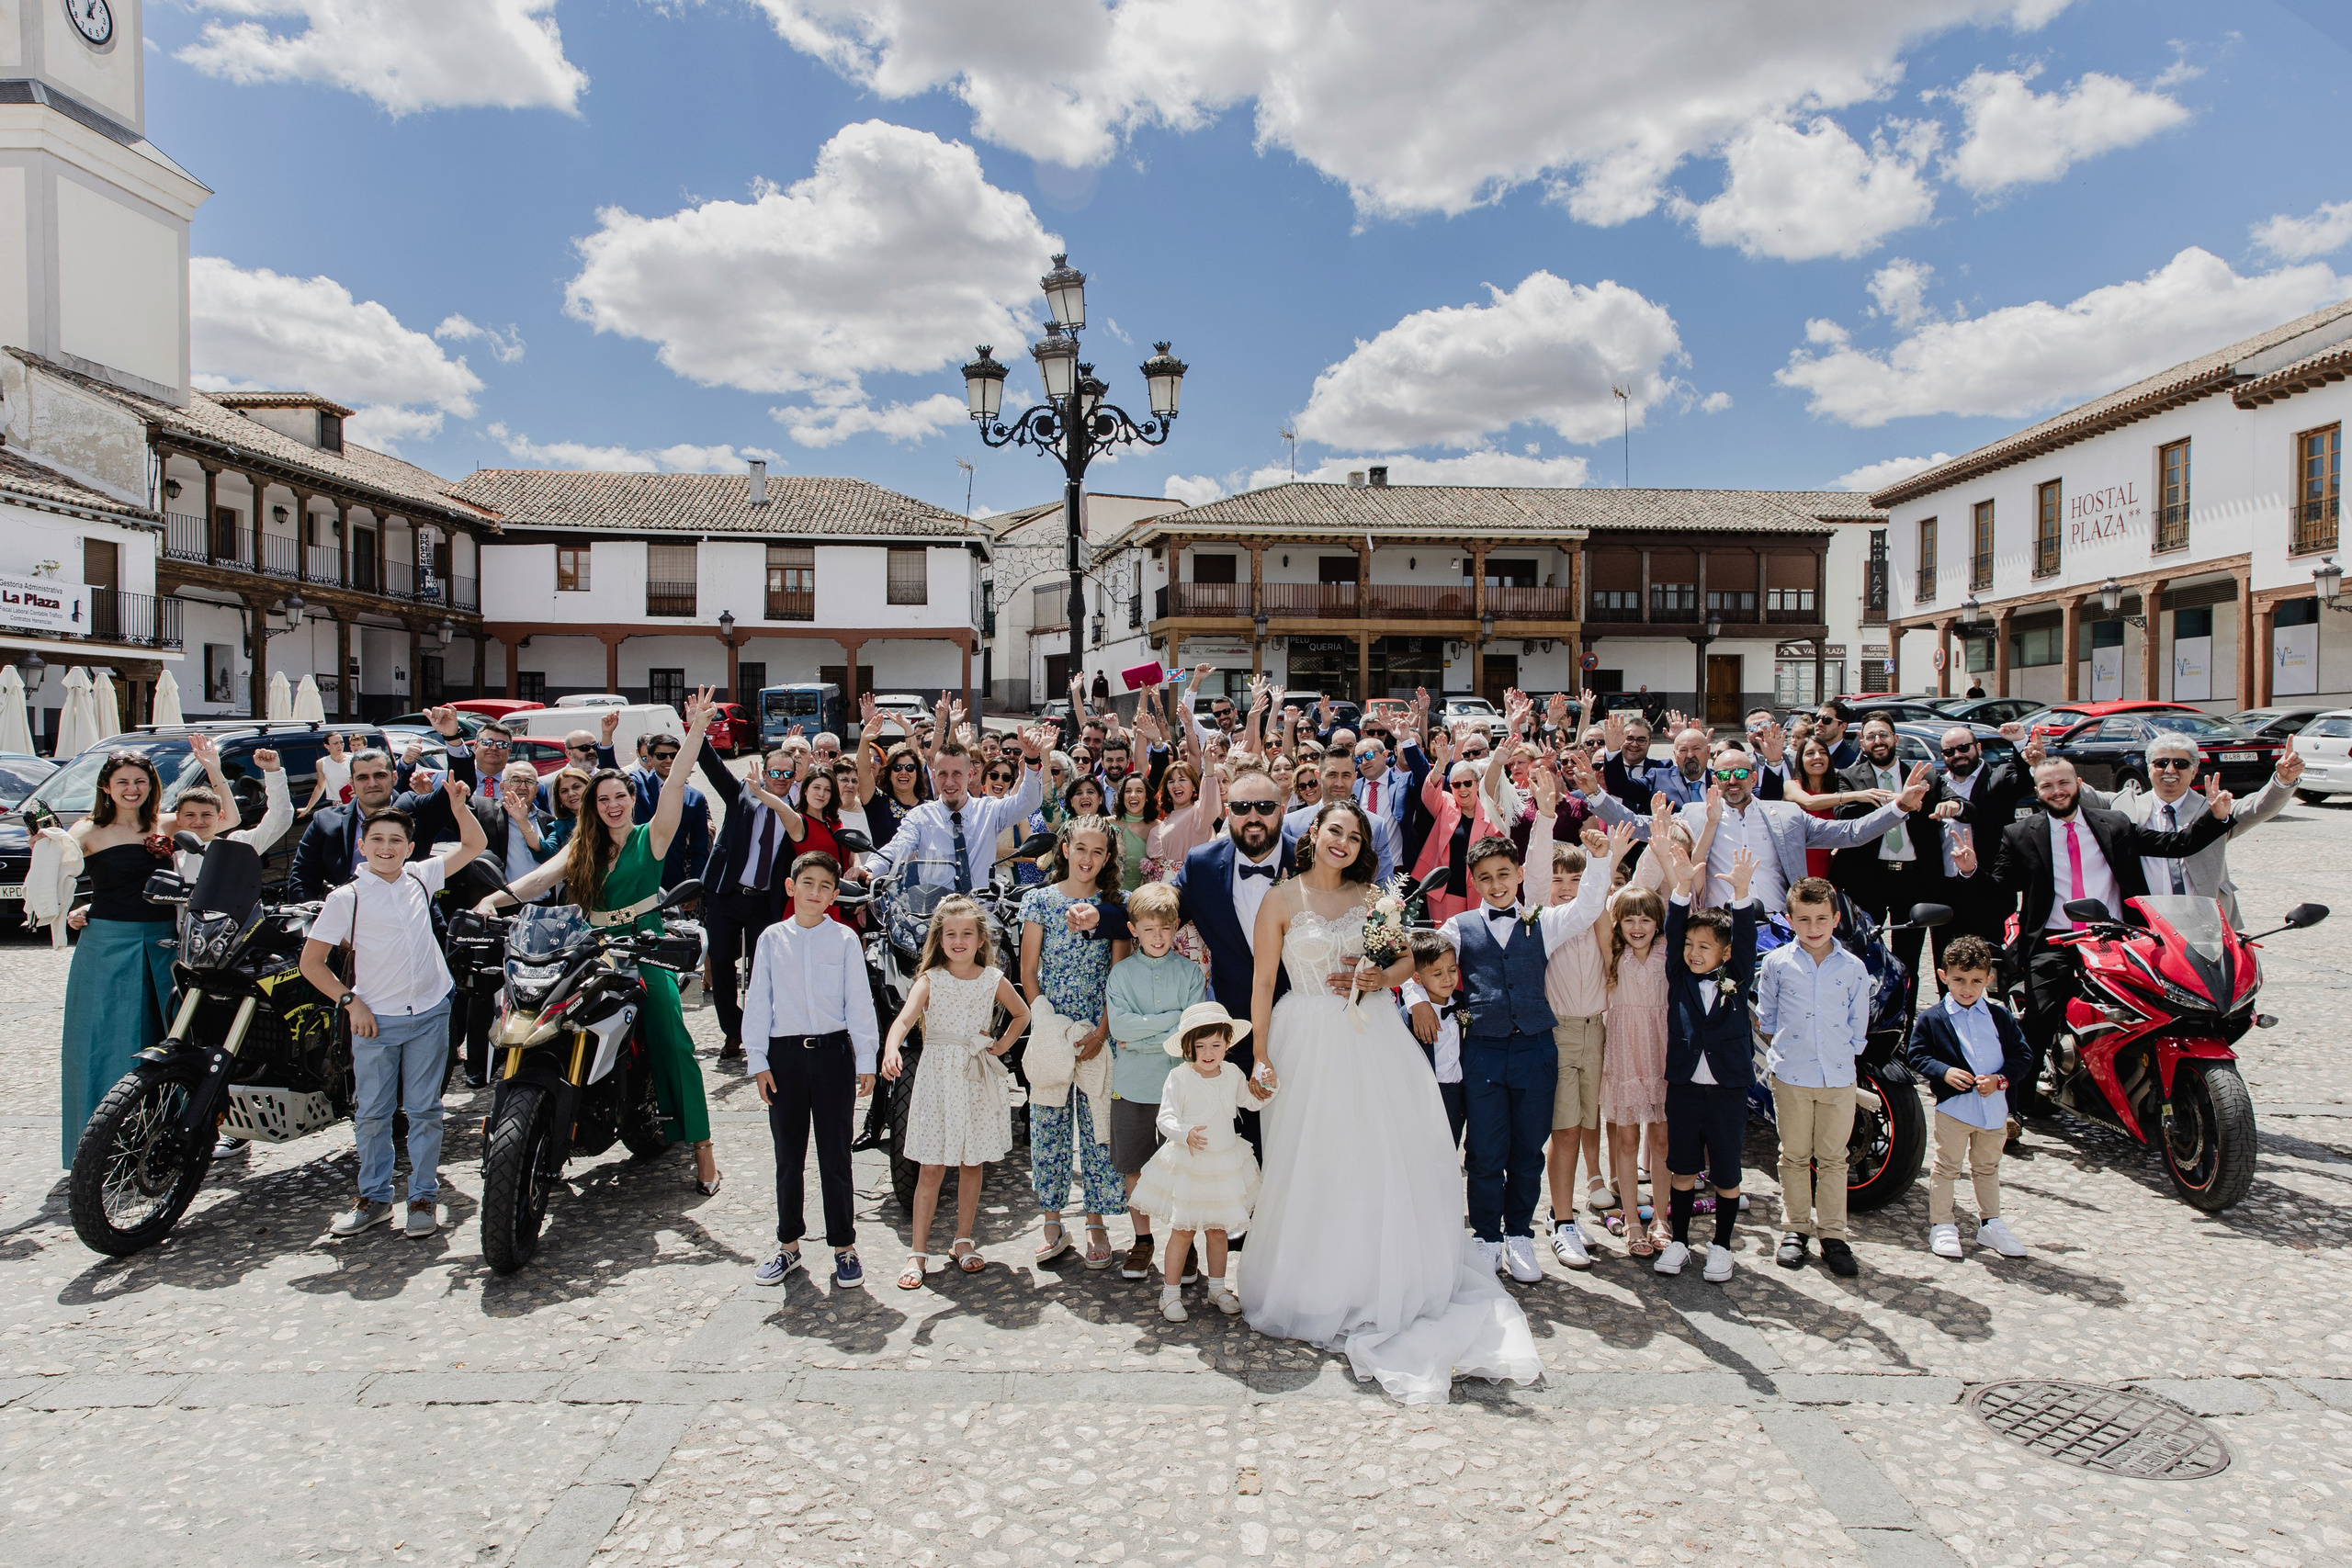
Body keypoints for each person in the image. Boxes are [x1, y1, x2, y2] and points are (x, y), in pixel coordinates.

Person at [1240, 796, 1545, 1405]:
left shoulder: (1369, 899)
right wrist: (1260, 1054)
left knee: (1372, 1157)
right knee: (1309, 1161)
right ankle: (1311, 1281)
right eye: (1334, 830)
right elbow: (1263, 981)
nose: (1342, 842)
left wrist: (1382, 976)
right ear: (1314, 834)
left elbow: (1408, 956)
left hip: (1370, 1035)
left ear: (1361, 845)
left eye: (1353, 836)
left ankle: (1372, 1277)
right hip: (1303, 1039)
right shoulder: (1280, 898)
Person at [480, 690, 726, 1191]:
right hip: (588, 944)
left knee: (671, 1035)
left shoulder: (650, 838)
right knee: (536, 1013)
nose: (613, 805)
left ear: (633, 801)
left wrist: (696, 729)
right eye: (604, 799)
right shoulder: (582, 846)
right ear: (593, 805)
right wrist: (492, 903)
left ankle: (702, 1148)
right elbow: (538, 881)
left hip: (644, 945)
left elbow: (676, 781)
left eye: (620, 797)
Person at [1439, 772, 1626, 1280]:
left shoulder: (1541, 921)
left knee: (1527, 1149)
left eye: (1504, 875)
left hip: (1537, 1051)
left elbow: (1589, 907)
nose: (1497, 886)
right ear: (1474, 883)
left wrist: (1602, 859)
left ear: (1518, 875)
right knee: (1484, 1149)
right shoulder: (1459, 927)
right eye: (1486, 879)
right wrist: (1414, 996)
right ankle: (1485, 1235)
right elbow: (1425, 965)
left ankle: (1520, 1234)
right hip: (1482, 1051)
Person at [1985, 757, 2234, 1125]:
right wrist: (1970, 869)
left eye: (2063, 783)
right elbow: (1998, 887)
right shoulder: (2020, 834)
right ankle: (2013, 1111)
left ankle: (2149, 1083)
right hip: (2056, 941)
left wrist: (2215, 817)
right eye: (2048, 786)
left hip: (2117, 937)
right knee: (2038, 1020)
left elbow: (2177, 844)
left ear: (2078, 782)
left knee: (2160, 1003)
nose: (2057, 791)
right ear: (2037, 793)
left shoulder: (2114, 824)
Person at [301, 777, 487, 1238]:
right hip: (375, 1021)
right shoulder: (346, 898)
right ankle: (375, 1197)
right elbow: (311, 963)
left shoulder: (422, 876)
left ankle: (423, 1197)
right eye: (377, 840)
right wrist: (350, 1003)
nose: (387, 848)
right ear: (363, 847)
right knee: (373, 1113)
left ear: (409, 847)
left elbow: (474, 843)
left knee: (425, 1111)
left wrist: (459, 805)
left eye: (396, 841)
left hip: (429, 1011)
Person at [741, 850, 883, 1290]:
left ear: (834, 894)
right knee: (789, 1156)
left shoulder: (843, 941)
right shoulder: (770, 939)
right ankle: (788, 1246)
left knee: (836, 1155)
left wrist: (866, 1061)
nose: (816, 893)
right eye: (808, 884)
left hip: (832, 1055)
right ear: (791, 887)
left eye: (826, 886)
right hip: (784, 1058)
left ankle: (844, 1247)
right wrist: (758, 1060)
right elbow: (758, 1000)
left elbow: (859, 1003)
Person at [57, 749, 203, 1166]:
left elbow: (225, 820)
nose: (131, 789)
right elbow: (55, 871)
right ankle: (97, 1149)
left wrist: (212, 768)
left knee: (167, 1039)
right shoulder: (86, 830)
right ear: (106, 787)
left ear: (152, 786)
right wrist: (76, 906)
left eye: (140, 781)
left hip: (161, 943)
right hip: (105, 944)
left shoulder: (169, 822)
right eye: (122, 782)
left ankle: (166, 1141)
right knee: (102, 1041)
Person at [1579, 746, 1926, 918]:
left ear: (1755, 778)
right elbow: (1641, 826)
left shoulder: (1789, 815)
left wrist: (1899, 807)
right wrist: (1595, 793)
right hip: (1717, 924)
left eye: (1741, 775)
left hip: (1778, 924)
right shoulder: (1697, 814)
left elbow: (1849, 833)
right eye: (1725, 775)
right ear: (1715, 780)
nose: (1733, 782)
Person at [881, 893, 1029, 1287]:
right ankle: (917, 1251)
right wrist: (892, 1047)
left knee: (971, 1162)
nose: (959, 940)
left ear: (981, 939)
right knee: (930, 1167)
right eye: (951, 934)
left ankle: (963, 1240)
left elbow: (1022, 1013)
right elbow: (905, 1019)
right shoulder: (931, 980)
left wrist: (999, 1045)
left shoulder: (992, 979)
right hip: (937, 1078)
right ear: (940, 939)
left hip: (974, 1077)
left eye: (967, 933)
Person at [1019, 814, 1133, 1269]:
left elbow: (1119, 973)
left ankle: (1095, 1221)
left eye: (1098, 852)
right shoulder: (1040, 901)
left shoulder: (1116, 905)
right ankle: (1052, 1221)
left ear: (1107, 858)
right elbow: (1029, 970)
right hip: (1051, 1029)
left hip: (1097, 1031)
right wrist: (1045, 1024)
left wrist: (1102, 1031)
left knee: (1098, 1128)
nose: (1088, 859)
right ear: (1065, 848)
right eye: (1081, 848)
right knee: (1048, 1123)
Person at [1170, 766, 1300, 1167]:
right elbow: (1160, 910)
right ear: (1227, 811)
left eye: (1264, 806)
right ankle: (1246, 1226)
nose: (1253, 816)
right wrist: (1097, 914)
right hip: (1239, 1027)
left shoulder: (1312, 858)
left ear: (1281, 810)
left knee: (1302, 1131)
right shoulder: (1203, 863)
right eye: (1242, 807)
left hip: (1306, 1022)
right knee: (1245, 1140)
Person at [1653, 840, 1760, 1283]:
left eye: (1705, 947)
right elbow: (1676, 930)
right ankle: (1679, 1240)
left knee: (1726, 1172)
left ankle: (1721, 1246)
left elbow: (1747, 938)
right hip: (1684, 1089)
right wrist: (1680, 889)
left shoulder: (1736, 976)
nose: (1695, 953)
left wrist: (1741, 895)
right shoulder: (1677, 976)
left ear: (1725, 955)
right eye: (1691, 945)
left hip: (1727, 1091)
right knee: (1681, 1168)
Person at [1756, 876, 1873, 1278]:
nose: (1813, 927)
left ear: (1836, 919)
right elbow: (1767, 1016)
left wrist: (1846, 1053)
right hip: (1792, 1073)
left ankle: (1833, 1235)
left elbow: (1860, 1020)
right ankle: (1795, 1229)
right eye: (1804, 919)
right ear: (1790, 920)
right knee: (1793, 1154)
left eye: (1822, 918)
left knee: (1834, 1157)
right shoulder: (1777, 964)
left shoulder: (1854, 968)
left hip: (1838, 1075)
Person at [1131, 1001, 1278, 1322]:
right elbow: (1165, 1117)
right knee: (1183, 1231)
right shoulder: (1180, 1077)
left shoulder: (1233, 1074)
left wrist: (1267, 1089)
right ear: (1188, 1048)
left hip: (1224, 1164)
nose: (1209, 1053)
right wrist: (1184, 1133)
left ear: (1228, 1043)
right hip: (1191, 1164)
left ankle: (1217, 1287)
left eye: (1216, 1045)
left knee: (1217, 1230)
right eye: (1200, 1046)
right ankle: (1169, 1294)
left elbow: (1249, 1101)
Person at [2072, 731, 2302, 926]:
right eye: (2161, 763)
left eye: (2180, 764)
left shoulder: (2213, 809)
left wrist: (2282, 781)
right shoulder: (2124, 805)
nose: (2170, 770)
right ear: (2149, 768)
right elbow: (2076, 794)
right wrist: (2041, 764)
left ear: (2193, 771)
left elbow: (2258, 807)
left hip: (2204, 920)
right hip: (2144, 921)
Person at [1105, 880, 1208, 1282]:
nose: (1158, 936)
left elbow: (1192, 1029)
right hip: (1134, 1085)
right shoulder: (1121, 975)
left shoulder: (1189, 973)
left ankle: (1185, 1244)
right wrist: (1169, 1027)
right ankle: (1142, 1239)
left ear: (1176, 927)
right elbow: (1119, 1028)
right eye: (1148, 929)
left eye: (1165, 928)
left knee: (1183, 1167)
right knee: (1136, 1168)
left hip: (1179, 1087)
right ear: (1133, 930)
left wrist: (1142, 1037)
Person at [1905, 935, 2032, 1259]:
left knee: (1988, 1167)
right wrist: (1945, 1072)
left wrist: (2001, 1079)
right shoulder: (1933, 1018)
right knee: (1947, 1166)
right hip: (1954, 1109)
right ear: (1942, 975)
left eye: (1976, 981)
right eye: (1959, 980)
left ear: (1988, 980)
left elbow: (2023, 1056)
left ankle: (1991, 1223)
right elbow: (1916, 1055)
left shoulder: (1999, 1016)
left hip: (1993, 1110)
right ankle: (1942, 1224)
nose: (1967, 988)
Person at [1832, 713, 1963, 1020]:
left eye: (1884, 735)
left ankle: (1903, 1028)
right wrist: (1897, 802)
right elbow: (1844, 817)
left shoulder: (1925, 776)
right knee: (1863, 957)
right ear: (1862, 743)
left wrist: (1953, 806)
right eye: (1872, 736)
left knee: (1908, 963)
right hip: (1869, 879)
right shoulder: (1850, 778)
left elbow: (1958, 802)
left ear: (1896, 739)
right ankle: (1863, 1021)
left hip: (1913, 880)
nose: (1878, 741)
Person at [694, 742, 799, 1061]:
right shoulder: (742, 793)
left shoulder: (798, 807)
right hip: (727, 893)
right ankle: (732, 1031)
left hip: (765, 901)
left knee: (763, 970)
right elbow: (713, 768)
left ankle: (758, 1030)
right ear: (764, 773)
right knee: (722, 963)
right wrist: (698, 731)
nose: (781, 779)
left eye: (787, 773)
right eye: (775, 772)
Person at [1538, 838, 1609, 1269]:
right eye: (1557, 879)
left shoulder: (1600, 917)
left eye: (1575, 879)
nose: (1565, 887)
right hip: (1560, 1031)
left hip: (1596, 1030)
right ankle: (1562, 1219)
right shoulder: (1544, 922)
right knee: (1563, 1129)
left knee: (1586, 1123)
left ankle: (1565, 1211)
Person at [867, 728, 1050, 892]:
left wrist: (1032, 760)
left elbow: (1029, 801)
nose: (949, 782)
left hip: (980, 914)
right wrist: (871, 867)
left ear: (970, 775)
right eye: (943, 774)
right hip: (934, 915)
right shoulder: (920, 816)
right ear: (934, 774)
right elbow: (899, 846)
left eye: (957, 773)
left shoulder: (989, 810)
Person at [1600, 884, 1671, 1257]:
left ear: (1658, 923)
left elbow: (1679, 895)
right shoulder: (1612, 952)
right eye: (1629, 919)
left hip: (1660, 1050)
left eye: (1645, 919)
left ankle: (1661, 1217)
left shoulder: (1667, 951)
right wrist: (1610, 867)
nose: (1638, 926)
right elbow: (1595, 909)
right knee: (1627, 1140)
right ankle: (1631, 1220)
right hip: (1625, 1052)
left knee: (1660, 1140)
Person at [1288, 746, 1399, 884]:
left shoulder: (1376, 825)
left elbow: (1384, 882)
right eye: (1332, 775)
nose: (1339, 783)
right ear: (1318, 776)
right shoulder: (1291, 824)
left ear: (1354, 778)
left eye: (1346, 775)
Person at [1400, 930, 1468, 1148]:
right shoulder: (1408, 1016)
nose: (1448, 979)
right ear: (1417, 978)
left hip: (1455, 1095)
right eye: (1437, 974)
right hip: (1422, 1096)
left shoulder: (1465, 1004)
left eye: (1451, 970)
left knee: (1450, 1151)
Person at [630, 730, 711, 892]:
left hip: (673, 879)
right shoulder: (638, 785)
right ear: (650, 759)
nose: (668, 760)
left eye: (674, 755)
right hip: (637, 878)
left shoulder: (695, 798)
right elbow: (612, 777)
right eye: (661, 756)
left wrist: (693, 888)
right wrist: (606, 740)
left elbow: (700, 848)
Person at [301, 728, 353, 813]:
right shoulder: (322, 763)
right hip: (338, 804)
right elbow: (320, 787)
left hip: (355, 801)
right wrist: (308, 808)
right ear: (327, 746)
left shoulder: (352, 759)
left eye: (341, 742)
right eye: (335, 743)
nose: (340, 745)